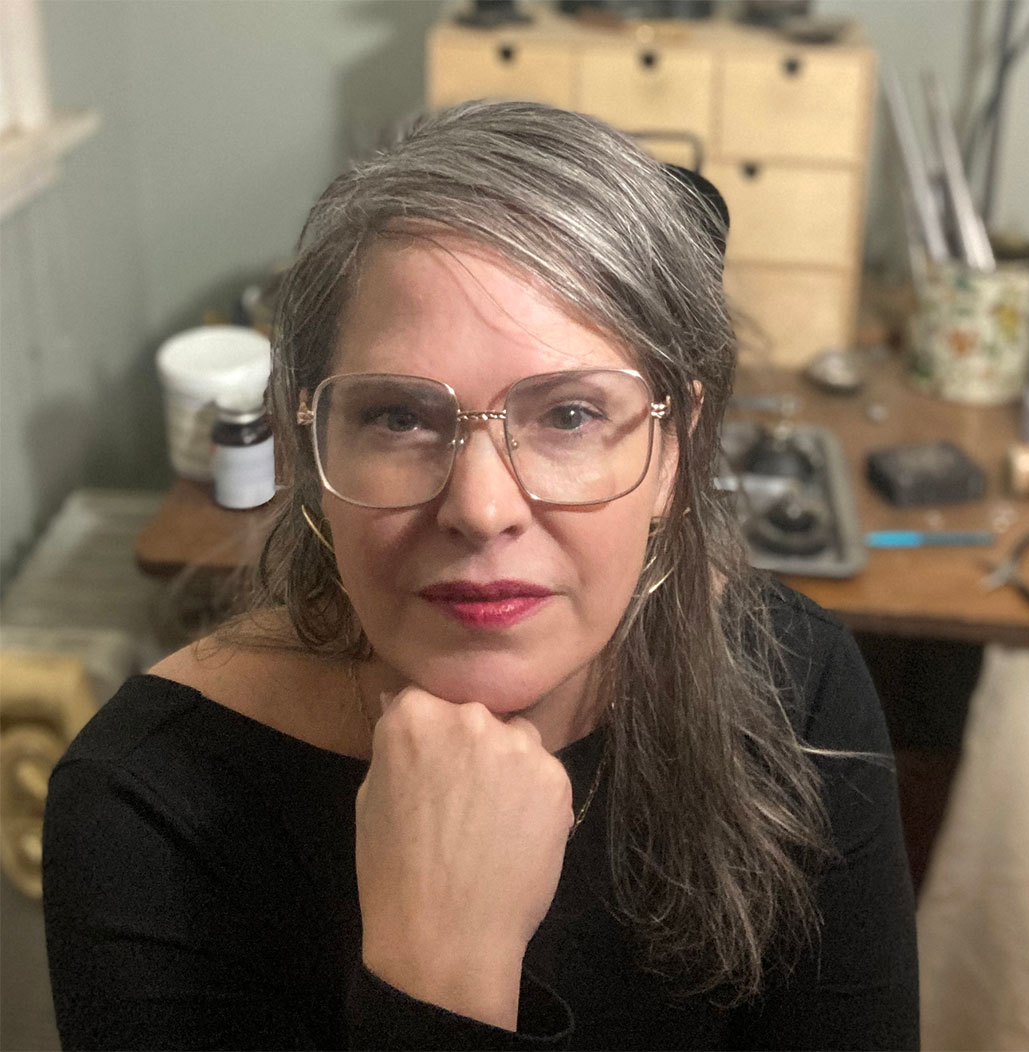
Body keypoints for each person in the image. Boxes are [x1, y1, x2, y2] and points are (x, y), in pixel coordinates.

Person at [43, 100, 918, 1050]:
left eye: (571, 415)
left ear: (675, 448)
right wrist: (441, 972)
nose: (482, 507)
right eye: (398, 417)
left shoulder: (793, 690)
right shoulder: (144, 804)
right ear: (307, 450)